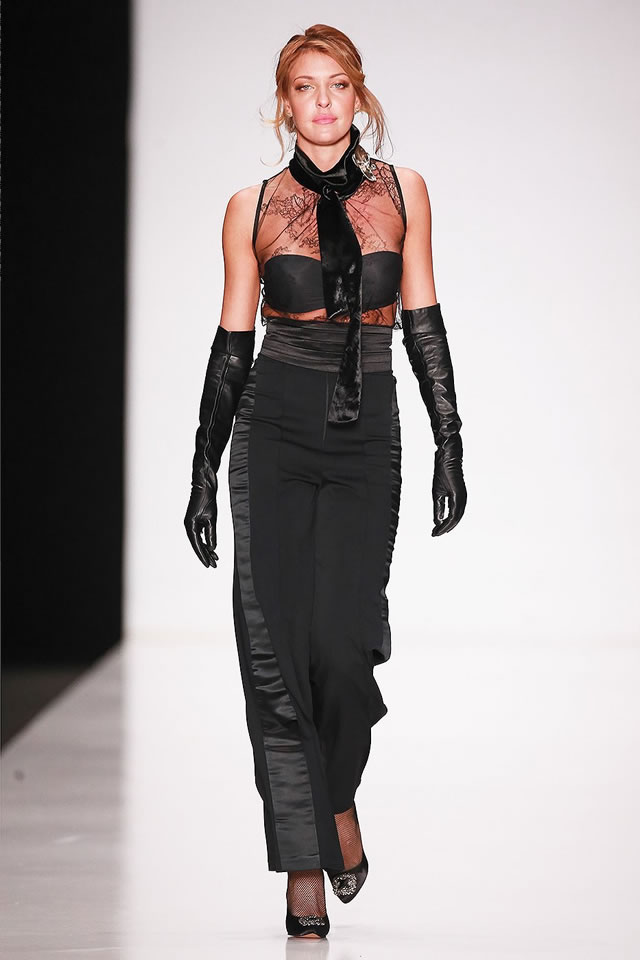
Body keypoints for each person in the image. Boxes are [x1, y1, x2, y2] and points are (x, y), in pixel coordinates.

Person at [184, 23, 466, 940]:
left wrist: (450, 441)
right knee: (274, 651)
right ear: (285, 103)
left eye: (336, 84)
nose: (322, 101)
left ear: (358, 94)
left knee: (343, 650)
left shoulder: (405, 192)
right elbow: (234, 345)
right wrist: (201, 467)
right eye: (305, 86)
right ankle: (304, 863)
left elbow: (423, 318)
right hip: (272, 430)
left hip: (366, 431)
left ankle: (335, 797)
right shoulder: (252, 206)